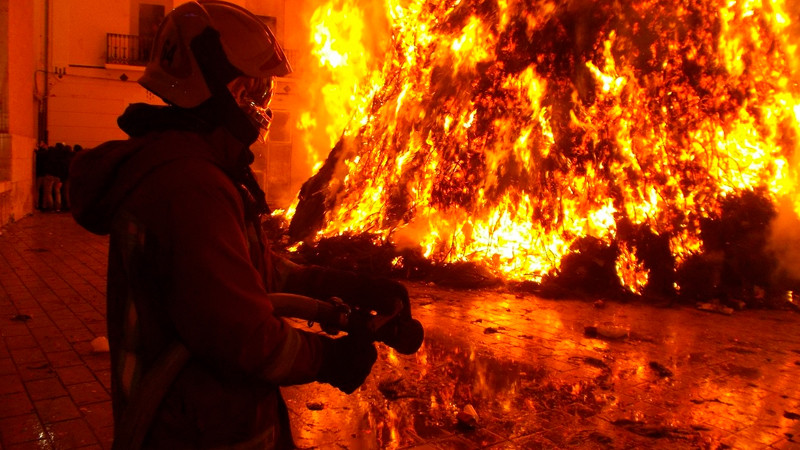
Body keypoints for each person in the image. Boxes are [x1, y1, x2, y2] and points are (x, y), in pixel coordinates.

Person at [69, 2, 415, 448]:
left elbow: (253, 274)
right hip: (197, 432)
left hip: (210, 420)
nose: (262, 103)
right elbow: (243, 335)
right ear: (218, 85)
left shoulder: (193, 168)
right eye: (256, 90)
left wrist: (346, 286)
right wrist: (328, 359)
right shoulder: (187, 186)